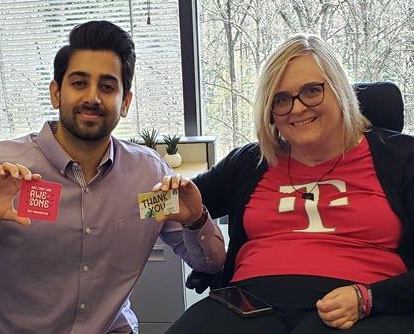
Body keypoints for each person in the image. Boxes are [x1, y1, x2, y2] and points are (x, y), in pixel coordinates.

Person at [0, 20, 225, 334]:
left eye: (107, 86)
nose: (92, 97)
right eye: (78, 82)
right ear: (56, 92)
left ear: (126, 101)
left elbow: (209, 263)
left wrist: (196, 221)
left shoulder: (147, 176)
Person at [167, 33, 414, 334]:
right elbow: (173, 201)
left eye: (312, 91)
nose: (297, 109)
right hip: (247, 306)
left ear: (339, 91)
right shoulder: (251, 161)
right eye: (281, 99)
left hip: (361, 308)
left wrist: (371, 298)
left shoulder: (402, 158)